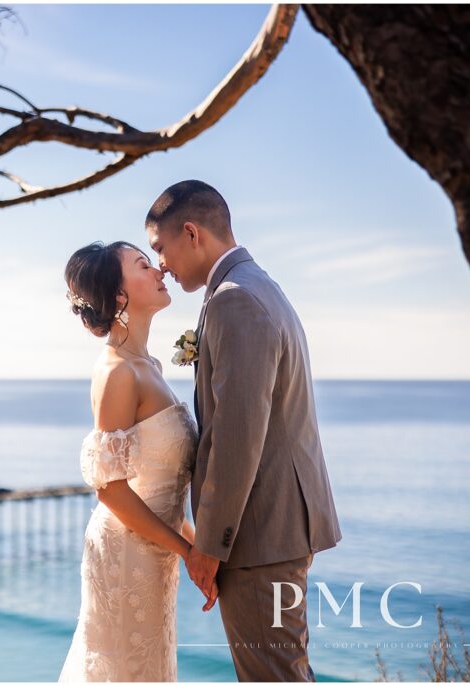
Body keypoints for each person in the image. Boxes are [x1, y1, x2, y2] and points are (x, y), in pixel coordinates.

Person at [144, 179, 343, 681]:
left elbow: (237, 436)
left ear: (190, 233)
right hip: (277, 529)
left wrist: (209, 546)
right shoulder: (257, 286)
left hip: (261, 535)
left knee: (272, 677)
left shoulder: (235, 299)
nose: (161, 264)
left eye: (160, 249)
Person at [57, 240, 204, 682]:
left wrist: (200, 551)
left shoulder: (150, 364)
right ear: (119, 296)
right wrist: (189, 552)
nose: (159, 269)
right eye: (143, 265)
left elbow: (157, 485)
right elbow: (112, 488)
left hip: (154, 552)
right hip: (126, 555)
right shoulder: (118, 372)